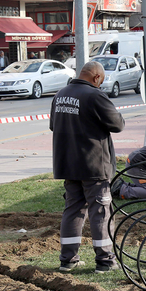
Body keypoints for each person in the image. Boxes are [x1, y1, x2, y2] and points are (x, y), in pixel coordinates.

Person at [49, 60, 125, 274]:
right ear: (96, 78)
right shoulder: (95, 95)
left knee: (73, 210)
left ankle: (68, 260)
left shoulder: (60, 94)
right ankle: (105, 261)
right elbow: (117, 124)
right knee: (100, 211)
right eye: (101, 81)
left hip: (67, 163)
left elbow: (54, 125)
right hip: (93, 164)